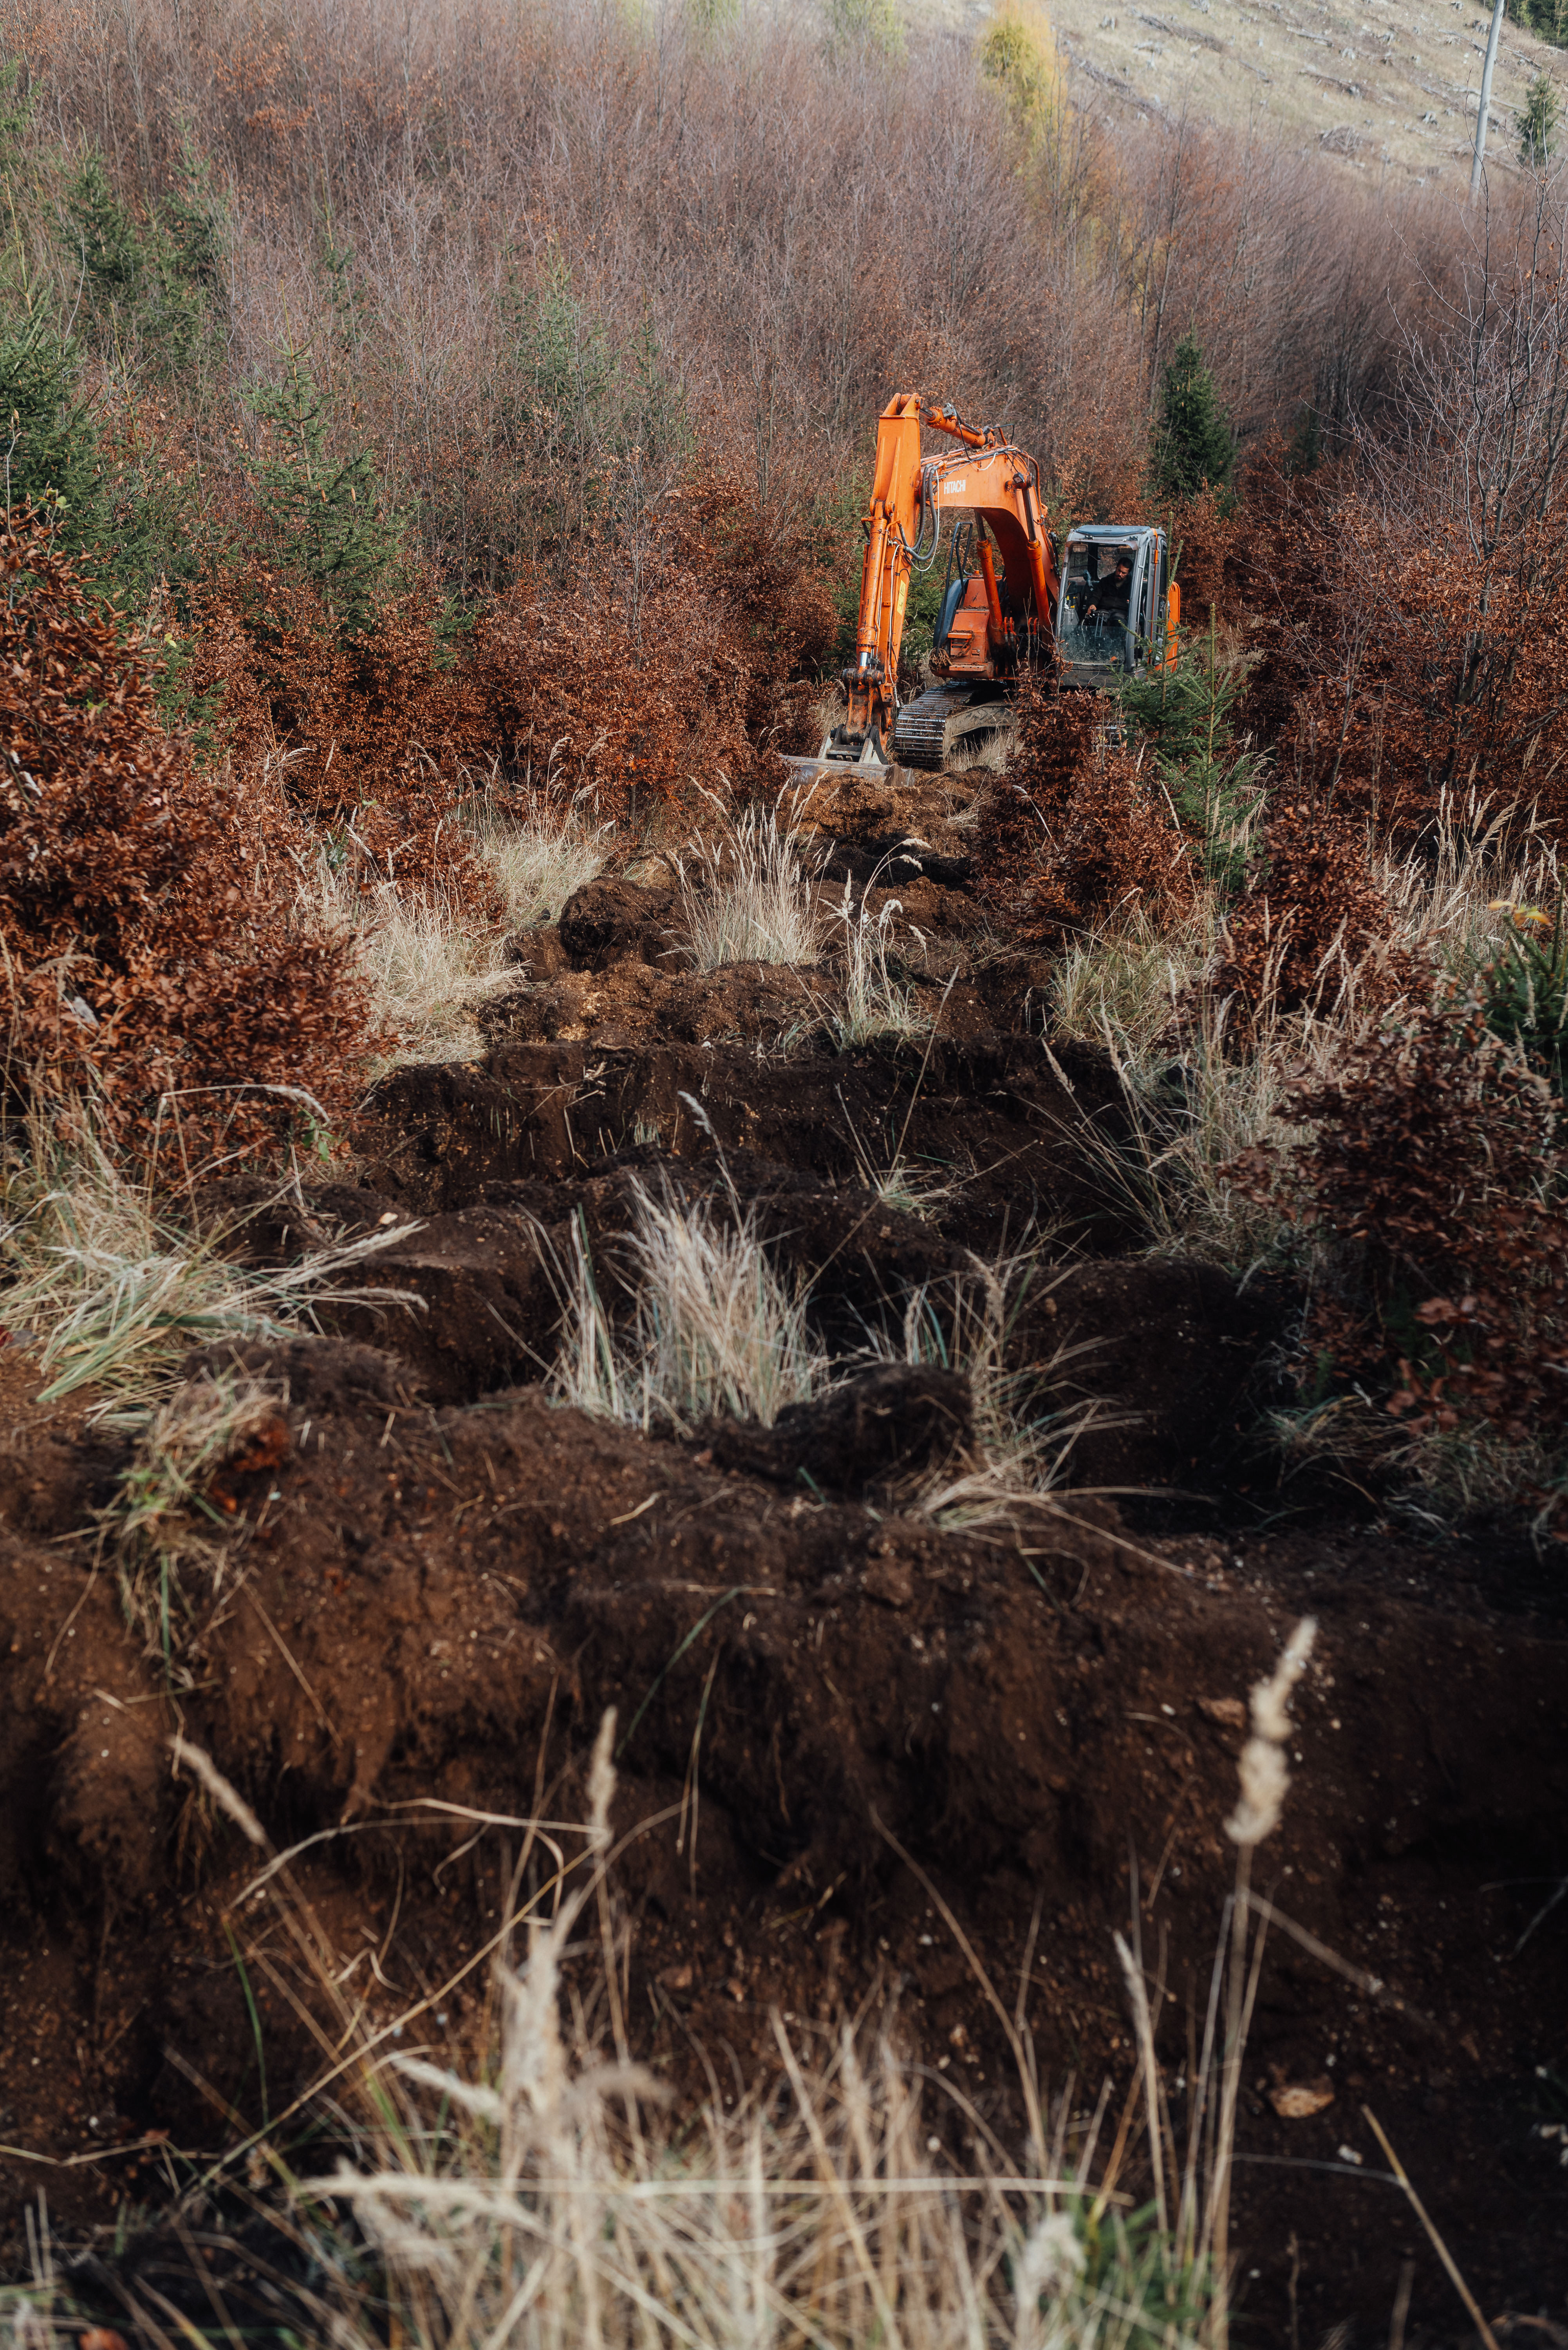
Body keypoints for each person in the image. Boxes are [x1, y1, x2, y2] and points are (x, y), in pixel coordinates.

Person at [1086, 550, 1134, 623]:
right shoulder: (1105, 581)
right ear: (1116, 568)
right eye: (1119, 571)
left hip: (1121, 612)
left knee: (1118, 623)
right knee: (1098, 621)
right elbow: (1096, 596)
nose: (1120, 574)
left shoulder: (1132, 585)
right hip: (1103, 611)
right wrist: (1093, 604)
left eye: (1124, 573)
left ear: (1128, 573)